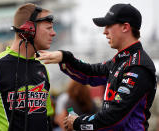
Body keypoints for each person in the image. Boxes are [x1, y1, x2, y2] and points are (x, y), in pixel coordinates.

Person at [38, 3, 157, 131]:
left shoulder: (137, 66)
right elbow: (90, 73)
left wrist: (78, 122)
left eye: (109, 25)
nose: (105, 31)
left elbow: (115, 118)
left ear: (125, 27)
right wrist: (64, 57)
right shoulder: (121, 60)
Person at [0, 3, 56, 131]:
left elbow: (47, 121)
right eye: (48, 28)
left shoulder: (42, 68)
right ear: (29, 29)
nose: (53, 33)